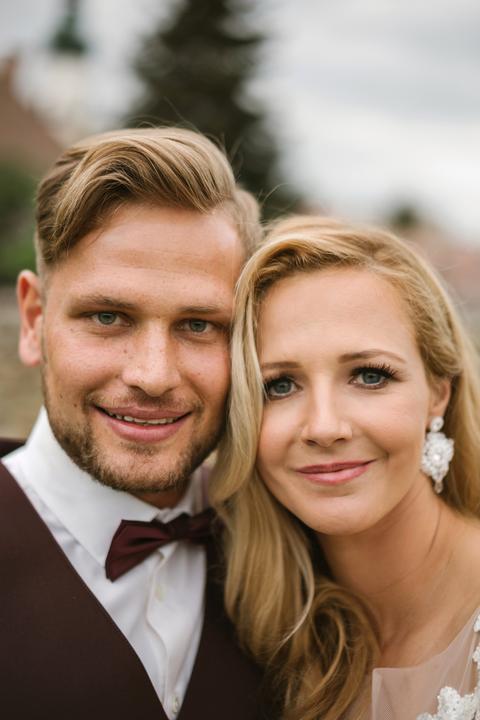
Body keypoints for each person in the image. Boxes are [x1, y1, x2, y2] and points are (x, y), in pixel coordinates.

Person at [0, 127, 266, 720]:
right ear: (34, 320)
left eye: (198, 325)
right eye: (107, 316)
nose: (153, 375)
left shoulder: (287, 548)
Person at [211, 214, 480, 720]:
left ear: (438, 393)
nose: (324, 427)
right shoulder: (255, 629)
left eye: (370, 376)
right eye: (279, 386)